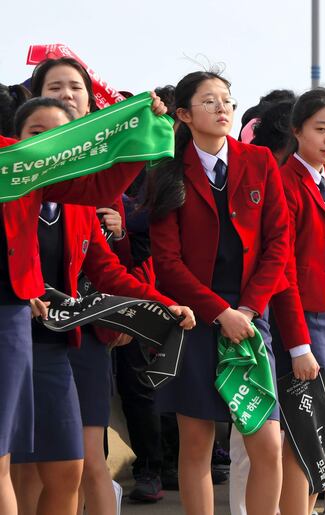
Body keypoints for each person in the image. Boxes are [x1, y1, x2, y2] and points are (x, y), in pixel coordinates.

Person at [8, 97, 195, 515]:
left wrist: (164, 304)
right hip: (15, 338)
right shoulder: (10, 193)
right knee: (23, 469)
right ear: (14, 142)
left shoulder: (79, 206)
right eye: (36, 134)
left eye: (59, 135)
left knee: (69, 465)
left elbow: (109, 271)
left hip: (64, 343)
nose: (48, 145)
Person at [146, 70, 297, 515]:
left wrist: (248, 310)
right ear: (183, 114)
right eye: (209, 101)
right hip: (196, 319)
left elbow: (278, 243)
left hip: (251, 320)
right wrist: (220, 313)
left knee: (266, 442)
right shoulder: (167, 169)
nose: (222, 108)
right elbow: (167, 264)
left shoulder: (259, 161)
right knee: (196, 444)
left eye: (227, 100)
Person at [270, 88, 325, 515]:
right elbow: (284, 270)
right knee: (303, 433)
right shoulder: (287, 181)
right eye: (320, 129)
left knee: (323, 431)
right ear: (296, 130)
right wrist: (298, 344)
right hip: (303, 320)